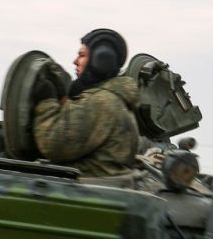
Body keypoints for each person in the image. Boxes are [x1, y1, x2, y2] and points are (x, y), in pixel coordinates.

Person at [31, 28, 142, 177]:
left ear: (99, 61)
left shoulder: (100, 101)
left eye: (82, 55)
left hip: (90, 187)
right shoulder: (114, 99)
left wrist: (46, 103)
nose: (75, 61)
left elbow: (52, 145)